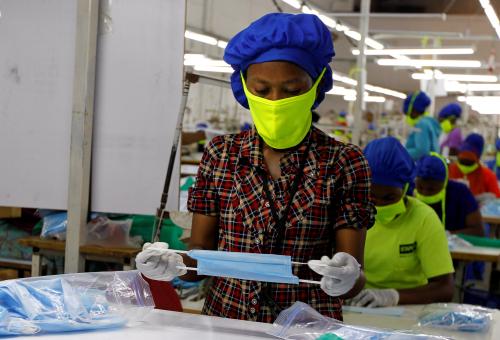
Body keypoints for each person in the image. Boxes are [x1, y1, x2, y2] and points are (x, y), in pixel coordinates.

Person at [136, 13, 375, 323]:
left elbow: (352, 277)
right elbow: (201, 254)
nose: (275, 101)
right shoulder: (221, 155)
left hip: (306, 327)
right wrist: (174, 265)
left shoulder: (343, 162)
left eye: (291, 90)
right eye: (262, 90)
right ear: (245, 90)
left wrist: (347, 276)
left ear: (316, 86)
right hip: (228, 323)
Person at [350, 137, 454, 307]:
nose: (379, 204)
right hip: (355, 305)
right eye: (371, 196)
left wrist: (393, 297)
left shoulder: (424, 219)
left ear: (406, 188)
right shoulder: (349, 214)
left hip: (408, 309)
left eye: (389, 197)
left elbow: (445, 288)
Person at [415, 154, 483, 236]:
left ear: (444, 184)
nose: (425, 193)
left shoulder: (461, 193)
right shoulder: (409, 193)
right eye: (420, 187)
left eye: (431, 189)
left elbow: (478, 231)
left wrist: (446, 235)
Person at [449, 133, 500, 199]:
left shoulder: (488, 176)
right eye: (464, 154)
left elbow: (496, 201)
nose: (466, 158)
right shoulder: (448, 171)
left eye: (470, 156)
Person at [403, 91, 441, 161]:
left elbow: (421, 151)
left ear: (413, 110)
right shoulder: (429, 122)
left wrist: (401, 153)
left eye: (408, 113)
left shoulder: (421, 125)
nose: (407, 116)